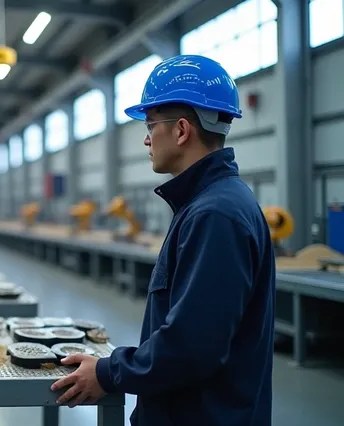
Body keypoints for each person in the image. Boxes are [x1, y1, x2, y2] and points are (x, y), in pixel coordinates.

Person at [51, 54, 275, 426]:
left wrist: (108, 373)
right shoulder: (209, 204)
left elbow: (193, 346)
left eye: (151, 124)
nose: (146, 137)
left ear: (182, 130)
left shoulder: (214, 214)